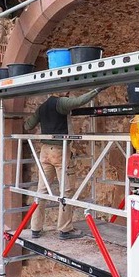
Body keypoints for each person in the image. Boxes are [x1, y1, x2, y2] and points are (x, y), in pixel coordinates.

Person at [24, 88, 106, 240]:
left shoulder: (43, 106)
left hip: (45, 151)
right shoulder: (60, 103)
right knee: (66, 190)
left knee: (41, 190)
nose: (69, 95)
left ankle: (35, 228)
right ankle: (65, 229)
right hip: (60, 150)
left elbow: (28, 125)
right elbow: (79, 101)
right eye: (68, 92)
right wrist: (97, 89)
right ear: (63, 91)